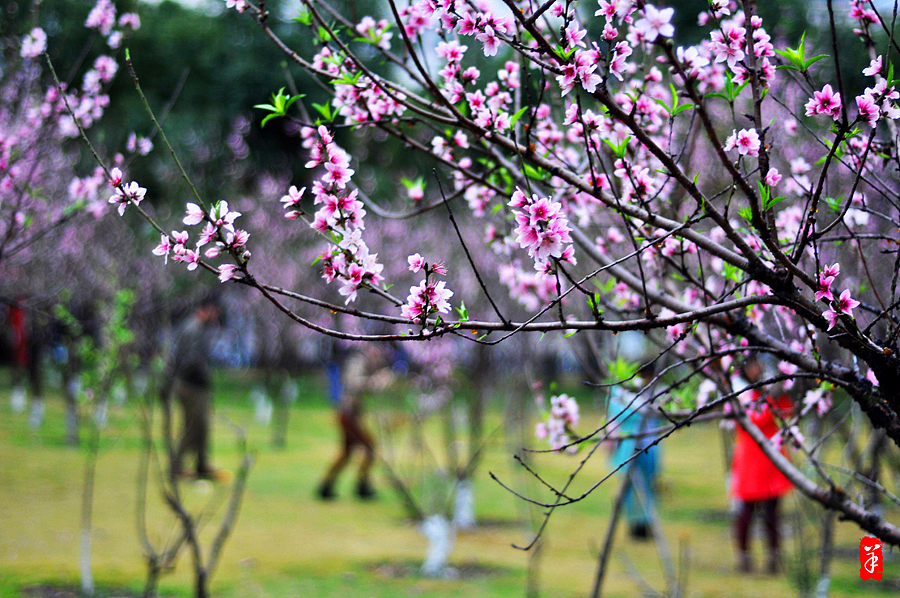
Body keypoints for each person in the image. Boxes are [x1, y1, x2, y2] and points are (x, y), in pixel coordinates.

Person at [730, 356, 794, 574]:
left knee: (772, 511)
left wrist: (778, 394)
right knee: (747, 510)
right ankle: (743, 556)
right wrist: (771, 399)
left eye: (757, 364)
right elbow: (754, 420)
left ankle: (774, 556)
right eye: (751, 366)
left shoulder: (768, 391)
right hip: (751, 458)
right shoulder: (743, 393)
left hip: (771, 459)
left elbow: (785, 412)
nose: (756, 369)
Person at [317, 341, 390, 500]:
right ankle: (362, 486)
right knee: (369, 448)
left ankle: (326, 486)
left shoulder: (362, 362)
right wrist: (375, 382)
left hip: (350, 414)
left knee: (346, 453)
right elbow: (354, 383)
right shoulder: (358, 362)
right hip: (348, 414)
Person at [161, 296, 221, 480]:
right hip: (191, 385)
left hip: (191, 385)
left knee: (201, 426)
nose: (216, 317)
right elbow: (190, 360)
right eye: (215, 312)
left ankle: (201, 465)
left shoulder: (193, 327)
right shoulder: (193, 328)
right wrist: (204, 375)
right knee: (193, 427)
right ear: (207, 309)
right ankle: (176, 467)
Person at [607, 363, 660, 540]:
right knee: (630, 488)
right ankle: (634, 526)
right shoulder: (622, 396)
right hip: (630, 448)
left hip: (647, 448)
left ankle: (645, 525)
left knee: (646, 486)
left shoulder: (653, 394)